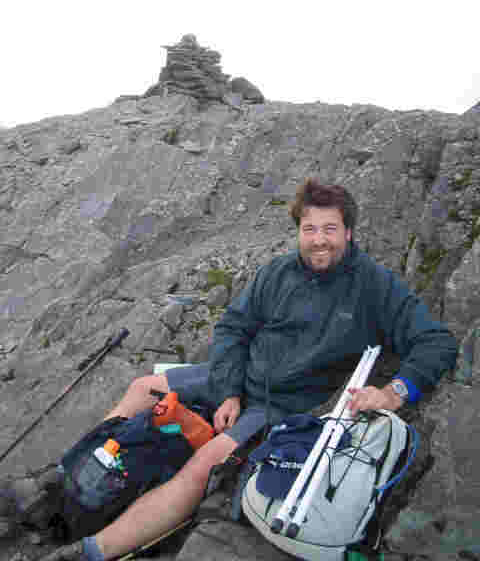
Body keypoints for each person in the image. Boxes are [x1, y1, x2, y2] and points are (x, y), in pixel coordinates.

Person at [41, 180, 458, 561]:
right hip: (239, 377)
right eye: (309, 229)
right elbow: (233, 328)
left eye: (330, 230)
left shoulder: (376, 286)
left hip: (283, 404)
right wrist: (228, 391)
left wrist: (394, 393)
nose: (319, 241)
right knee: (143, 387)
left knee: (207, 462)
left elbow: (436, 341)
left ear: (348, 232)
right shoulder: (277, 272)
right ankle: (68, 476)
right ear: (299, 231)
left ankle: (90, 552)